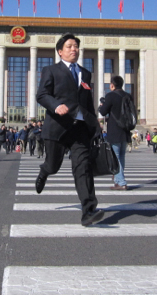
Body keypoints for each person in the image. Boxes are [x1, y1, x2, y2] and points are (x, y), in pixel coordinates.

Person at [35, 33, 103, 227]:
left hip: (80, 128)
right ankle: (44, 172)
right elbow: (42, 95)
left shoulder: (85, 73)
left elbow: (88, 102)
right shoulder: (50, 70)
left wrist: (95, 126)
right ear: (60, 51)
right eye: (69, 46)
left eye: (76, 46)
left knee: (83, 168)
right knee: (53, 165)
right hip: (58, 127)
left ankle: (89, 211)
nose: (74, 49)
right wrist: (56, 105)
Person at [99, 75, 135, 191]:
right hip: (125, 130)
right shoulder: (128, 96)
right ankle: (118, 181)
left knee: (116, 157)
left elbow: (104, 112)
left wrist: (101, 107)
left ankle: (121, 182)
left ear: (112, 85)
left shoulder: (110, 95)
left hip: (114, 130)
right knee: (121, 157)